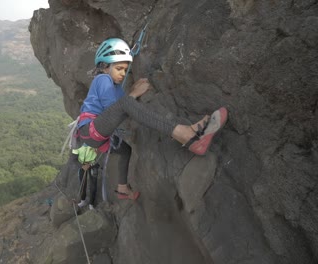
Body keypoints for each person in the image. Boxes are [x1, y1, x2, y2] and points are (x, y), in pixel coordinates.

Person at [75, 37, 228, 201]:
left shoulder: (115, 86)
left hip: (93, 134)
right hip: (90, 129)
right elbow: (118, 106)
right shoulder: (102, 79)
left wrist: (132, 92)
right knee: (126, 103)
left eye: (125, 70)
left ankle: (122, 189)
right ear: (105, 67)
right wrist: (133, 93)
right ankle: (185, 134)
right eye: (119, 68)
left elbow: (122, 107)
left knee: (125, 150)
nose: (122, 73)